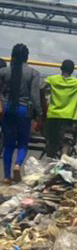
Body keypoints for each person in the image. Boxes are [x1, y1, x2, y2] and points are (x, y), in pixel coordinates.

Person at [0, 44, 42, 182]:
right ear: (27, 57)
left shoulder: (4, 72)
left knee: (9, 144)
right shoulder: (33, 73)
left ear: (12, 56)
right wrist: (40, 114)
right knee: (23, 142)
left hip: (7, 109)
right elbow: (35, 97)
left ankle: (6, 176)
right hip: (24, 110)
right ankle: (18, 164)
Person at [42, 59, 77, 159]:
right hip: (68, 116)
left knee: (52, 141)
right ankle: (64, 159)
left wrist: (43, 104)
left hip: (53, 115)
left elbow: (41, 88)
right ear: (72, 70)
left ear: (61, 68)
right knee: (66, 140)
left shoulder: (52, 79)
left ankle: (50, 161)